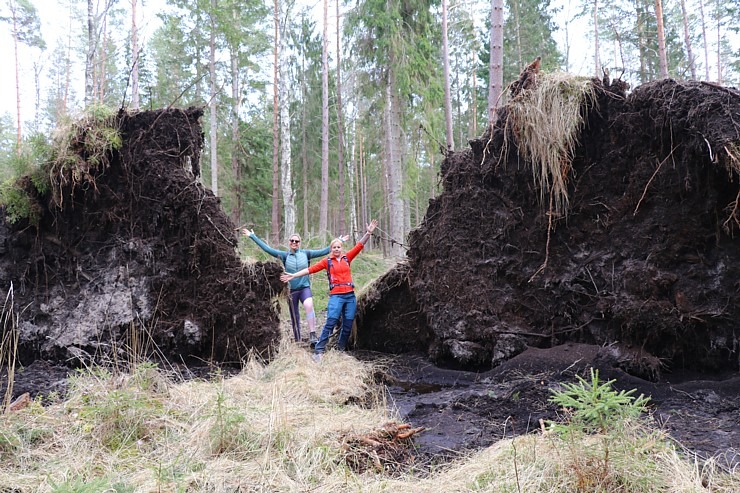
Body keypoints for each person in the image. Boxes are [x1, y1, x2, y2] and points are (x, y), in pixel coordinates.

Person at [280, 220, 378, 359]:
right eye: (334, 247)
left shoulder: (347, 258)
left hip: (350, 296)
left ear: (341, 248)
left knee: (348, 323)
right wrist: (293, 275)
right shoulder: (327, 262)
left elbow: (359, 246)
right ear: (331, 249)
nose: (337, 249)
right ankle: (319, 350)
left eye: (339, 247)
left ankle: (340, 349)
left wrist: (368, 233)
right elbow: (309, 270)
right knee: (331, 321)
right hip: (336, 296)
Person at [243, 228, 349, 343]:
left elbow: (325, 251)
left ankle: (313, 335)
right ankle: (298, 339)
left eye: (296, 241)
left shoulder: (306, 254)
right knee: (294, 315)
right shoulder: (285, 255)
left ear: (300, 243)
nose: (294, 243)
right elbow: (268, 249)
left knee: (309, 305)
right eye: (292, 241)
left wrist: (339, 240)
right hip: (291, 290)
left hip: (304, 288)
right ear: (289, 242)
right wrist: (252, 236)